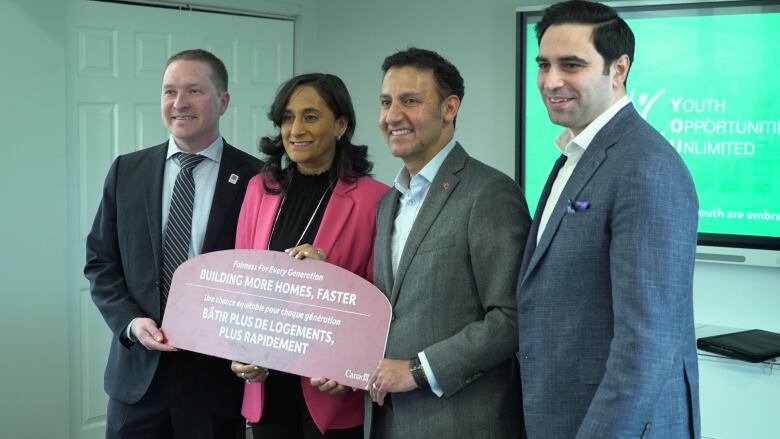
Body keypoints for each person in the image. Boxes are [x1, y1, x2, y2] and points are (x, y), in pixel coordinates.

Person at [515, 1, 701, 437]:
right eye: (544, 64)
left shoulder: (645, 166)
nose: (550, 81)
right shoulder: (577, 153)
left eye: (571, 65)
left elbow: (645, 347)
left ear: (618, 70)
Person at [85, 49, 260, 438]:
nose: (179, 103)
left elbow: (262, 275)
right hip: (137, 379)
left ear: (223, 101)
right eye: (169, 92)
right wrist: (129, 322)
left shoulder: (257, 179)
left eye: (194, 91)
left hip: (215, 381)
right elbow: (100, 261)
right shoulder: (126, 171)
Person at [366, 47, 531, 438]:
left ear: (449, 107)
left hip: (462, 423)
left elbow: (512, 317)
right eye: (386, 102)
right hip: (389, 421)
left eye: (410, 101)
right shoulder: (388, 202)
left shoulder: (489, 193)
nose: (392, 117)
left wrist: (418, 369)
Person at [229, 73, 389, 439]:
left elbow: (380, 300)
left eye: (311, 116)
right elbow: (240, 282)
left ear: (341, 125)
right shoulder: (260, 188)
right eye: (287, 118)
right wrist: (238, 349)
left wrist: (329, 276)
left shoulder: (375, 199)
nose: (296, 129)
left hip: (330, 385)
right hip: (266, 380)